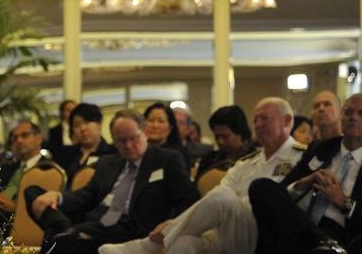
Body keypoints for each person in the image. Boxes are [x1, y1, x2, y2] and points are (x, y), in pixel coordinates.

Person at [99, 97, 305, 254]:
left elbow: (290, 202)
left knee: (223, 196)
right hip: (226, 231)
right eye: (255, 119)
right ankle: (162, 237)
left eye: (265, 118)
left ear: (287, 121)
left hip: (264, 235)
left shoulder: (301, 158)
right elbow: (221, 197)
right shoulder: (247, 162)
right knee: (182, 243)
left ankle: (145, 246)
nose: (258, 124)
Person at [25, 108, 199, 254]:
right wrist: (58, 196)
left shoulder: (166, 160)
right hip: (93, 220)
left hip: (131, 226)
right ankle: (68, 231)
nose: (128, 146)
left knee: (55, 239)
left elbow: (190, 198)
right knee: (33, 193)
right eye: (121, 141)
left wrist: (174, 223)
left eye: (133, 138)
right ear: (114, 140)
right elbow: (86, 196)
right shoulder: (108, 162)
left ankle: (70, 234)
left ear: (145, 133)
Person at [249, 92, 362, 254]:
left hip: (338, 232)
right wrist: (307, 181)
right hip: (299, 220)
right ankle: (316, 238)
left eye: (361, 113)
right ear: (340, 117)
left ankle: (319, 240)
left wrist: (345, 203)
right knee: (260, 186)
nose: (354, 118)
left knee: (291, 245)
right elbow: (283, 190)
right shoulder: (320, 148)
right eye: (348, 112)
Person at [0, 121, 48, 217]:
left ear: (39, 138)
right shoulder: (6, 168)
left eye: (24, 135)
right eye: (15, 138)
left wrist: (16, 209)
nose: (19, 141)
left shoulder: (49, 170)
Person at [54, 102, 115, 181]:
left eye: (87, 122)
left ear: (99, 124)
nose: (82, 129)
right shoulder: (65, 153)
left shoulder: (112, 153)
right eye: (77, 125)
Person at [195, 105, 255, 179]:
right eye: (217, 137)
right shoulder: (209, 160)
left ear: (240, 133)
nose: (220, 142)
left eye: (225, 137)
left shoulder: (253, 159)